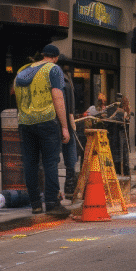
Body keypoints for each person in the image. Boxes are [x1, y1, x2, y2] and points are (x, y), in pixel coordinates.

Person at [15, 44, 71, 217]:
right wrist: (64, 126)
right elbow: (57, 96)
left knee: (30, 163)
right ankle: (53, 203)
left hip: (26, 122)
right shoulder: (54, 70)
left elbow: (16, 94)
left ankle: (35, 205)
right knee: (50, 162)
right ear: (55, 57)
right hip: (47, 120)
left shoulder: (23, 70)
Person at [58, 58, 80, 199]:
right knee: (67, 156)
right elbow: (63, 103)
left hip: (63, 121)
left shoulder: (66, 79)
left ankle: (69, 186)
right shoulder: (64, 80)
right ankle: (69, 186)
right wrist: (67, 123)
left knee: (67, 156)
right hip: (62, 122)